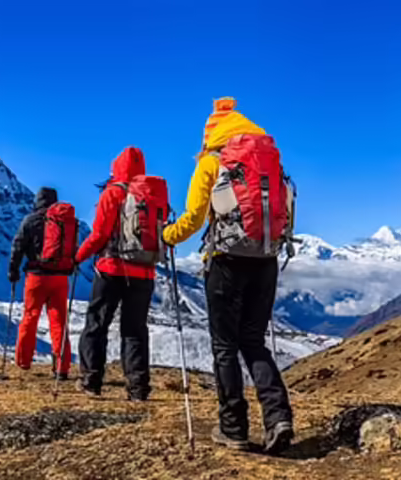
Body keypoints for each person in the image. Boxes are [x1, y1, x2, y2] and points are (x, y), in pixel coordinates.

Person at [162, 97, 294, 454]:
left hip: (225, 263)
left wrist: (168, 236)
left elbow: (193, 218)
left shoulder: (211, 163)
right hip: (265, 261)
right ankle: (278, 417)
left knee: (225, 347)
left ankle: (233, 428)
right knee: (254, 342)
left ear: (211, 134)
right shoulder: (270, 162)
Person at [74, 147, 155, 401]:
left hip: (112, 269)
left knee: (97, 324)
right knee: (135, 330)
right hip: (144, 272)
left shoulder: (112, 193)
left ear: (116, 168)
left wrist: (78, 256)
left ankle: (91, 380)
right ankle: (138, 388)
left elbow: (99, 235)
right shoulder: (151, 194)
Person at [8, 187, 72, 379]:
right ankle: (62, 368)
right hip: (60, 278)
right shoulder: (64, 221)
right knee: (59, 321)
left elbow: (18, 246)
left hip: (36, 277)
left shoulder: (31, 220)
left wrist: (13, 271)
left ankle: (23, 361)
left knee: (30, 317)